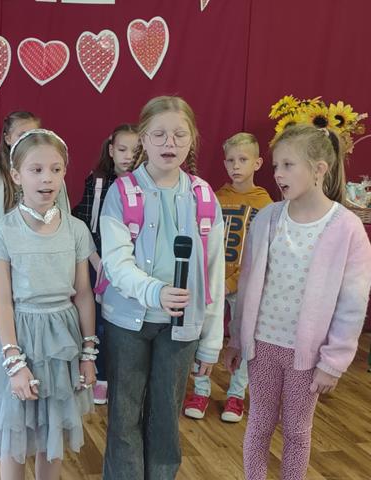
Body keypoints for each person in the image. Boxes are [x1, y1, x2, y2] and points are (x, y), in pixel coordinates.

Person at [224, 124, 371, 479]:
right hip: (263, 346)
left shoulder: (347, 228)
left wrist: (333, 362)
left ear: (319, 169)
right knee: (258, 424)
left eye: (288, 165)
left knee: (296, 431)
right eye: (276, 165)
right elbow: (247, 283)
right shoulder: (268, 219)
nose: (278, 174)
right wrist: (237, 338)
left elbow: (352, 304)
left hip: (307, 356)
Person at [100, 96, 225, 479]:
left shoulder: (204, 196)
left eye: (179, 135)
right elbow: (116, 263)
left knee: (166, 415)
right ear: (143, 139)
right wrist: (154, 292)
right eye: (159, 134)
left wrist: (211, 340)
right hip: (127, 323)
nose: (169, 143)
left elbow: (214, 275)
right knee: (124, 414)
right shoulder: (121, 192)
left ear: (192, 139)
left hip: (182, 328)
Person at [0, 129, 97, 480]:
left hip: (62, 340)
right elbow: (2, 300)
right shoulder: (4, 232)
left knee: (51, 433)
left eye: (56, 170)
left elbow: (83, 294)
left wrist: (88, 352)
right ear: (16, 175)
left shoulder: (76, 230)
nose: (47, 179)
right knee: (16, 433)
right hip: (19, 335)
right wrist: (14, 361)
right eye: (36, 170)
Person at [184, 132, 272, 422]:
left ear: (257, 163)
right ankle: (201, 390)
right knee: (202, 334)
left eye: (243, 159)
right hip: (213, 282)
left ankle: (236, 394)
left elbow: (261, 253)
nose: (236, 166)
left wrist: (234, 280)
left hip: (243, 284)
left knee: (244, 338)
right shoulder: (215, 198)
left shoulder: (266, 205)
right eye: (231, 160)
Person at [72, 123, 138, 404]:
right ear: (111, 150)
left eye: (135, 151)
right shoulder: (98, 180)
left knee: (127, 321)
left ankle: (125, 376)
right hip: (98, 261)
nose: (128, 157)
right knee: (98, 319)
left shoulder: (145, 184)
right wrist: (96, 261)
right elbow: (84, 224)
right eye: (122, 149)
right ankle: (99, 375)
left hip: (132, 264)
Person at [0, 111, 70, 248]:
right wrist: (8, 251)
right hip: (5, 256)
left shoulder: (52, 177)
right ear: (8, 139)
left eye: (33, 135)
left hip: (45, 253)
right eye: (22, 135)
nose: (27, 141)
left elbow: (64, 217)